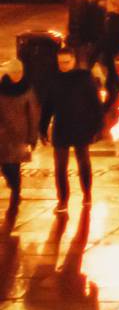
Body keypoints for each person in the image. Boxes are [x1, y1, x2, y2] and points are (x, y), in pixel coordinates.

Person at [40, 48, 102, 214]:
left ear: (73, 60)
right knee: (60, 167)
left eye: (66, 62)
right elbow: (48, 106)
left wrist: (97, 126)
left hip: (81, 126)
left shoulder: (84, 78)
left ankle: (87, 193)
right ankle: (63, 200)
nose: (63, 66)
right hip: (61, 127)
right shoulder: (54, 79)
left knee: (84, 163)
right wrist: (42, 127)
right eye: (60, 62)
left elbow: (95, 103)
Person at [0, 59, 38, 224]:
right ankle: (13, 186)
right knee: (4, 166)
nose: (17, 76)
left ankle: (16, 195)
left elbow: (33, 114)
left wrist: (32, 136)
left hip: (19, 137)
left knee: (14, 167)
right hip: (2, 135)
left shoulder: (27, 89)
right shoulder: (1, 89)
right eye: (14, 72)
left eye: (19, 72)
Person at [66, 0, 105, 67]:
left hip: (99, 40)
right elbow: (74, 21)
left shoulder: (103, 1)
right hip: (84, 39)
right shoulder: (79, 2)